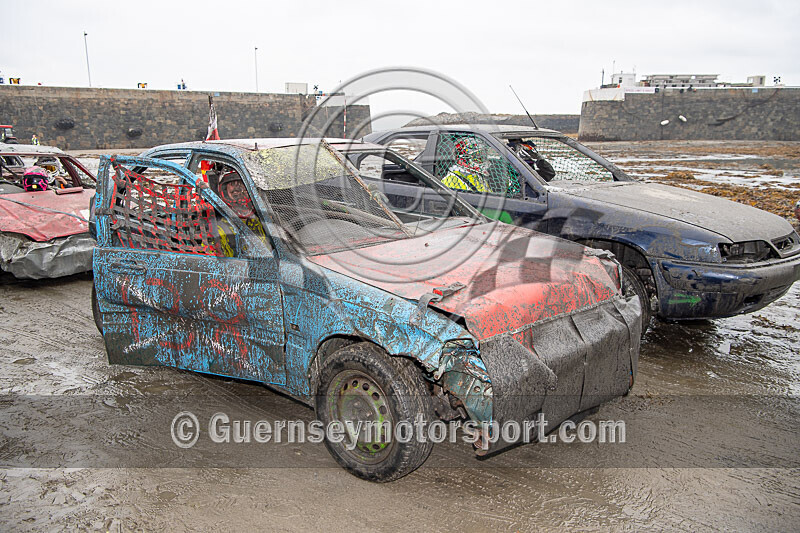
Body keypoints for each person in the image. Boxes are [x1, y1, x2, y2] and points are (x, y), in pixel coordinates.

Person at [214, 170, 267, 256]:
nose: (240, 194)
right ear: (225, 193)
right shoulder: (219, 229)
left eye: (244, 189)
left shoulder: (261, 220)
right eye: (235, 192)